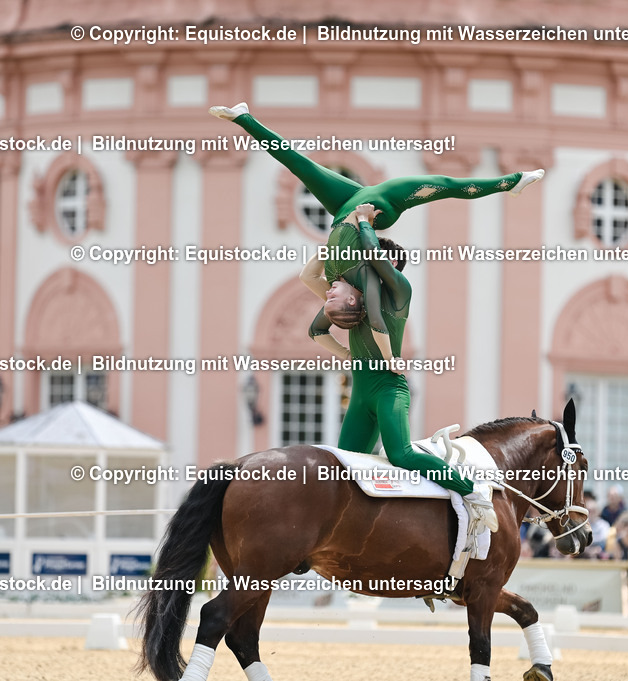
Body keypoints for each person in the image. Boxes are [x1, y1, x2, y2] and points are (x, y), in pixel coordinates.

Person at [211, 102, 544, 363]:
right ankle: (512, 182)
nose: (328, 297)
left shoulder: (334, 276)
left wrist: (345, 351)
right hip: (379, 208)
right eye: (334, 300)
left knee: (299, 164)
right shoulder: (361, 276)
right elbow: (375, 322)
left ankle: (243, 118)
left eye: (327, 300)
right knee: (446, 185)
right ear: (355, 298)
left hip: (346, 206)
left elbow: (308, 289)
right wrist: (388, 358)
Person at [299, 203, 498, 530]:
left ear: (389, 264)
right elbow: (311, 286)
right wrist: (334, 244)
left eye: (362, 261)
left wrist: (363, 222)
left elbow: (374, 262)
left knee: (401, 455)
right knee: (341, 468)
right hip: (361, 395)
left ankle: (472, 490)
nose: (354, 267)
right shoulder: (356, 301)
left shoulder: (400, 290)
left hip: (389, 390)